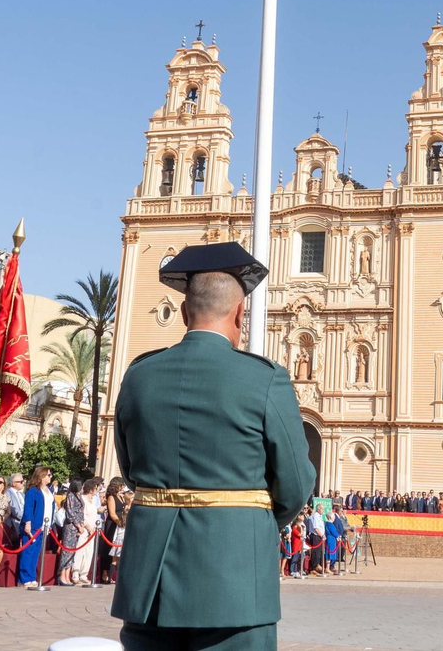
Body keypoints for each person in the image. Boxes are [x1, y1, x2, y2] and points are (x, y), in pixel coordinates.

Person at [112, 242, 316, 650]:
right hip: (235, 581)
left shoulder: (139, 375)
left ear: (185, 313)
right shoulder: (265, 379)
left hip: (151, 582)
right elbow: (296, 483)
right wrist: (244, 522)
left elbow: (131, 468)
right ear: (240, 313)